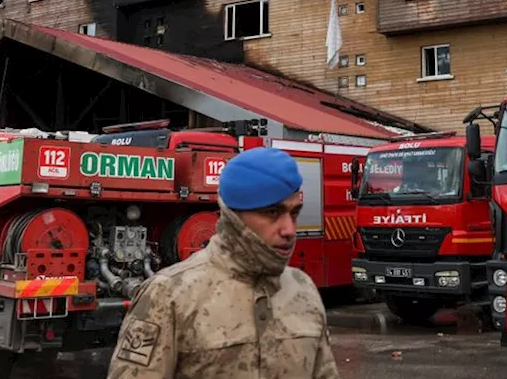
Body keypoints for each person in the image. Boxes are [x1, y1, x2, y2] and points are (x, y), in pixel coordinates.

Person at [108, 147, 338, 379]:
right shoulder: (169, 296)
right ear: (233, 216)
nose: (289, 229)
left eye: (294, 214)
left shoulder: (303, 290)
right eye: (271, 212)